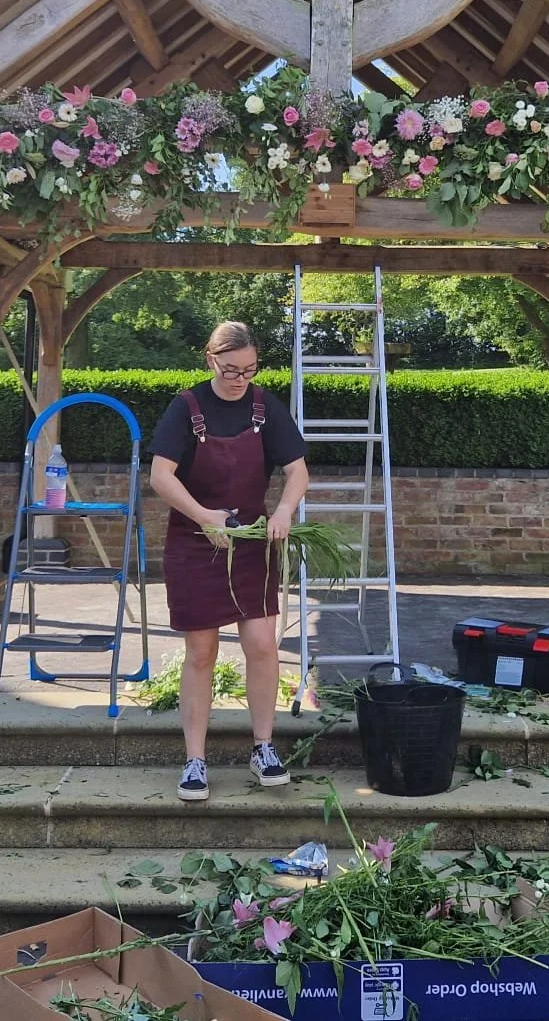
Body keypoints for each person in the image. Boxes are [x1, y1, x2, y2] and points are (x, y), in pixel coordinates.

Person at [147, 320, 309, 801]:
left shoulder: (265, 406)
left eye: (251, 370)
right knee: (201, 652)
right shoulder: (186, 407)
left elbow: (297, 471)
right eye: (232, 369)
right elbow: (160, 475)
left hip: (253, 542)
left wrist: (282, 509)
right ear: (210, 359)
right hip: (196, 543)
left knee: (262, 643)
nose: (241, 379)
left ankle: (263, 748)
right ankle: (195, 761)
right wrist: (205, 518)